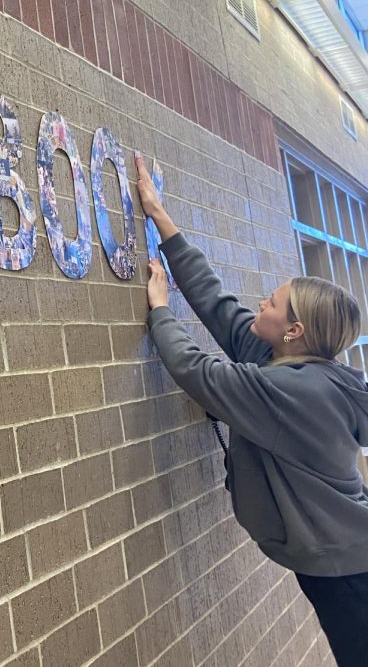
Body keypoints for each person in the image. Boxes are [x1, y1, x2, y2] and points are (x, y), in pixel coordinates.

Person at [137, 153, 368, 667]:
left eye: (271, 302)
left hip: (350, 572)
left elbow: (198, 372)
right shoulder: (284, 361)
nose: (260, 303)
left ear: (294, 331)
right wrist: (161, 217)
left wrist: (158, 311)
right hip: (342, 556)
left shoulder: (294, 391)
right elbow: (219, 305)